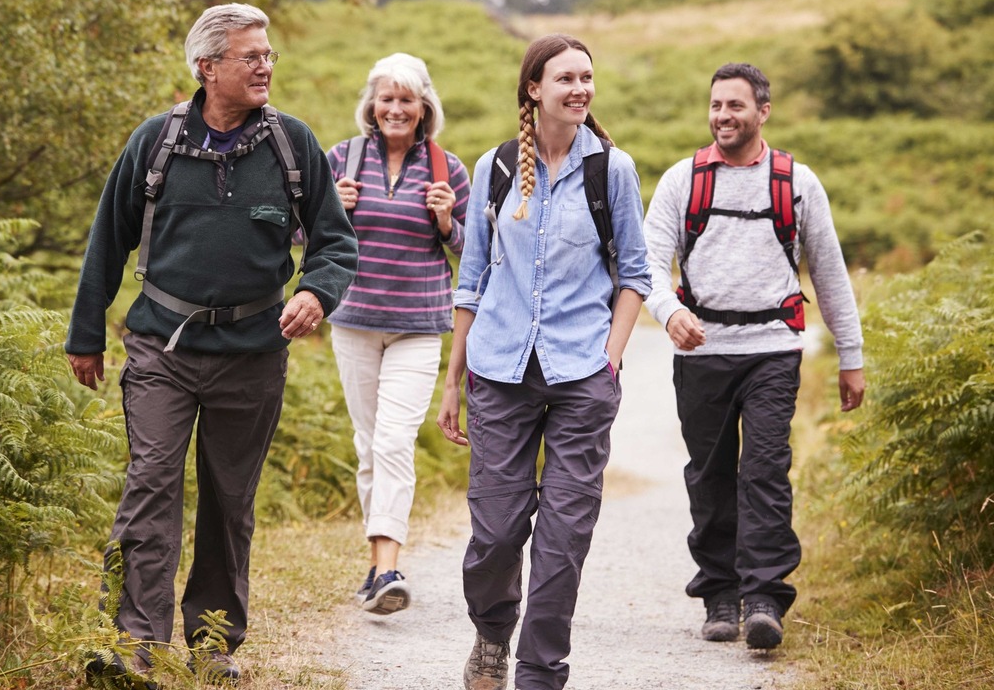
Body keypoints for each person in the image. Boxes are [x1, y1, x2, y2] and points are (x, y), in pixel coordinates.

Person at [65, 3, 357, 686]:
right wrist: (85, 335)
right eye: (250, 56)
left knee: (229, 500)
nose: (265, 66)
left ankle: (212, 645)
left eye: (268, 55)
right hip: (161, 349)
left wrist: (317, 291)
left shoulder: (292, 144)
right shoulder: (154, 142)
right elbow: (106, 241)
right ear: (208, 67)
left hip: (255, 352)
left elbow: (335, 240)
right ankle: (132, 643)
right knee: (151, 485)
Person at [437, 34, 651, 690]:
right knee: (497, 531)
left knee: (562, 538)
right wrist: (454, 379)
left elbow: (635, 275)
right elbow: (470, 277)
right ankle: (493, 634)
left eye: (587, 77)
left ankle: (540, 674)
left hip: (583, 374)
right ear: (535, 89)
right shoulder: (498, 168)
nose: (580, 88)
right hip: (499, 373)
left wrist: (610, 362)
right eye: (566, 78)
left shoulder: (610, 169)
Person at [643, 62, 865, 650]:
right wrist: (670, 313)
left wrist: (851, 355)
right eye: (716, 105)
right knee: (710, 475)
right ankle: (720, 594)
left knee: (764, 470)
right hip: (702, 351)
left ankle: (764, 597)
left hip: (773, 349)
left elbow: (830, 272)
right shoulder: (681, 180)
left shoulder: (797, 182)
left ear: (762, 111)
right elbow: (647, 264)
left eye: (735, 106)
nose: (723, 116)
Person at [325, 53, 470, 615]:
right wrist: (330, 211)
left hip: (417, 326)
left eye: (407, 99)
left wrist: (445, 220)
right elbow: (297, 234)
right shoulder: (343, 158)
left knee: (391, 442)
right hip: (354, 322)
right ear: (372, 104)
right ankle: (376, 568)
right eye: (387, 98)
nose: (396, 108)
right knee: (368, 447)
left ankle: (388, 569)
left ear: (424, 107)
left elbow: (472, 253)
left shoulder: (446, 167)